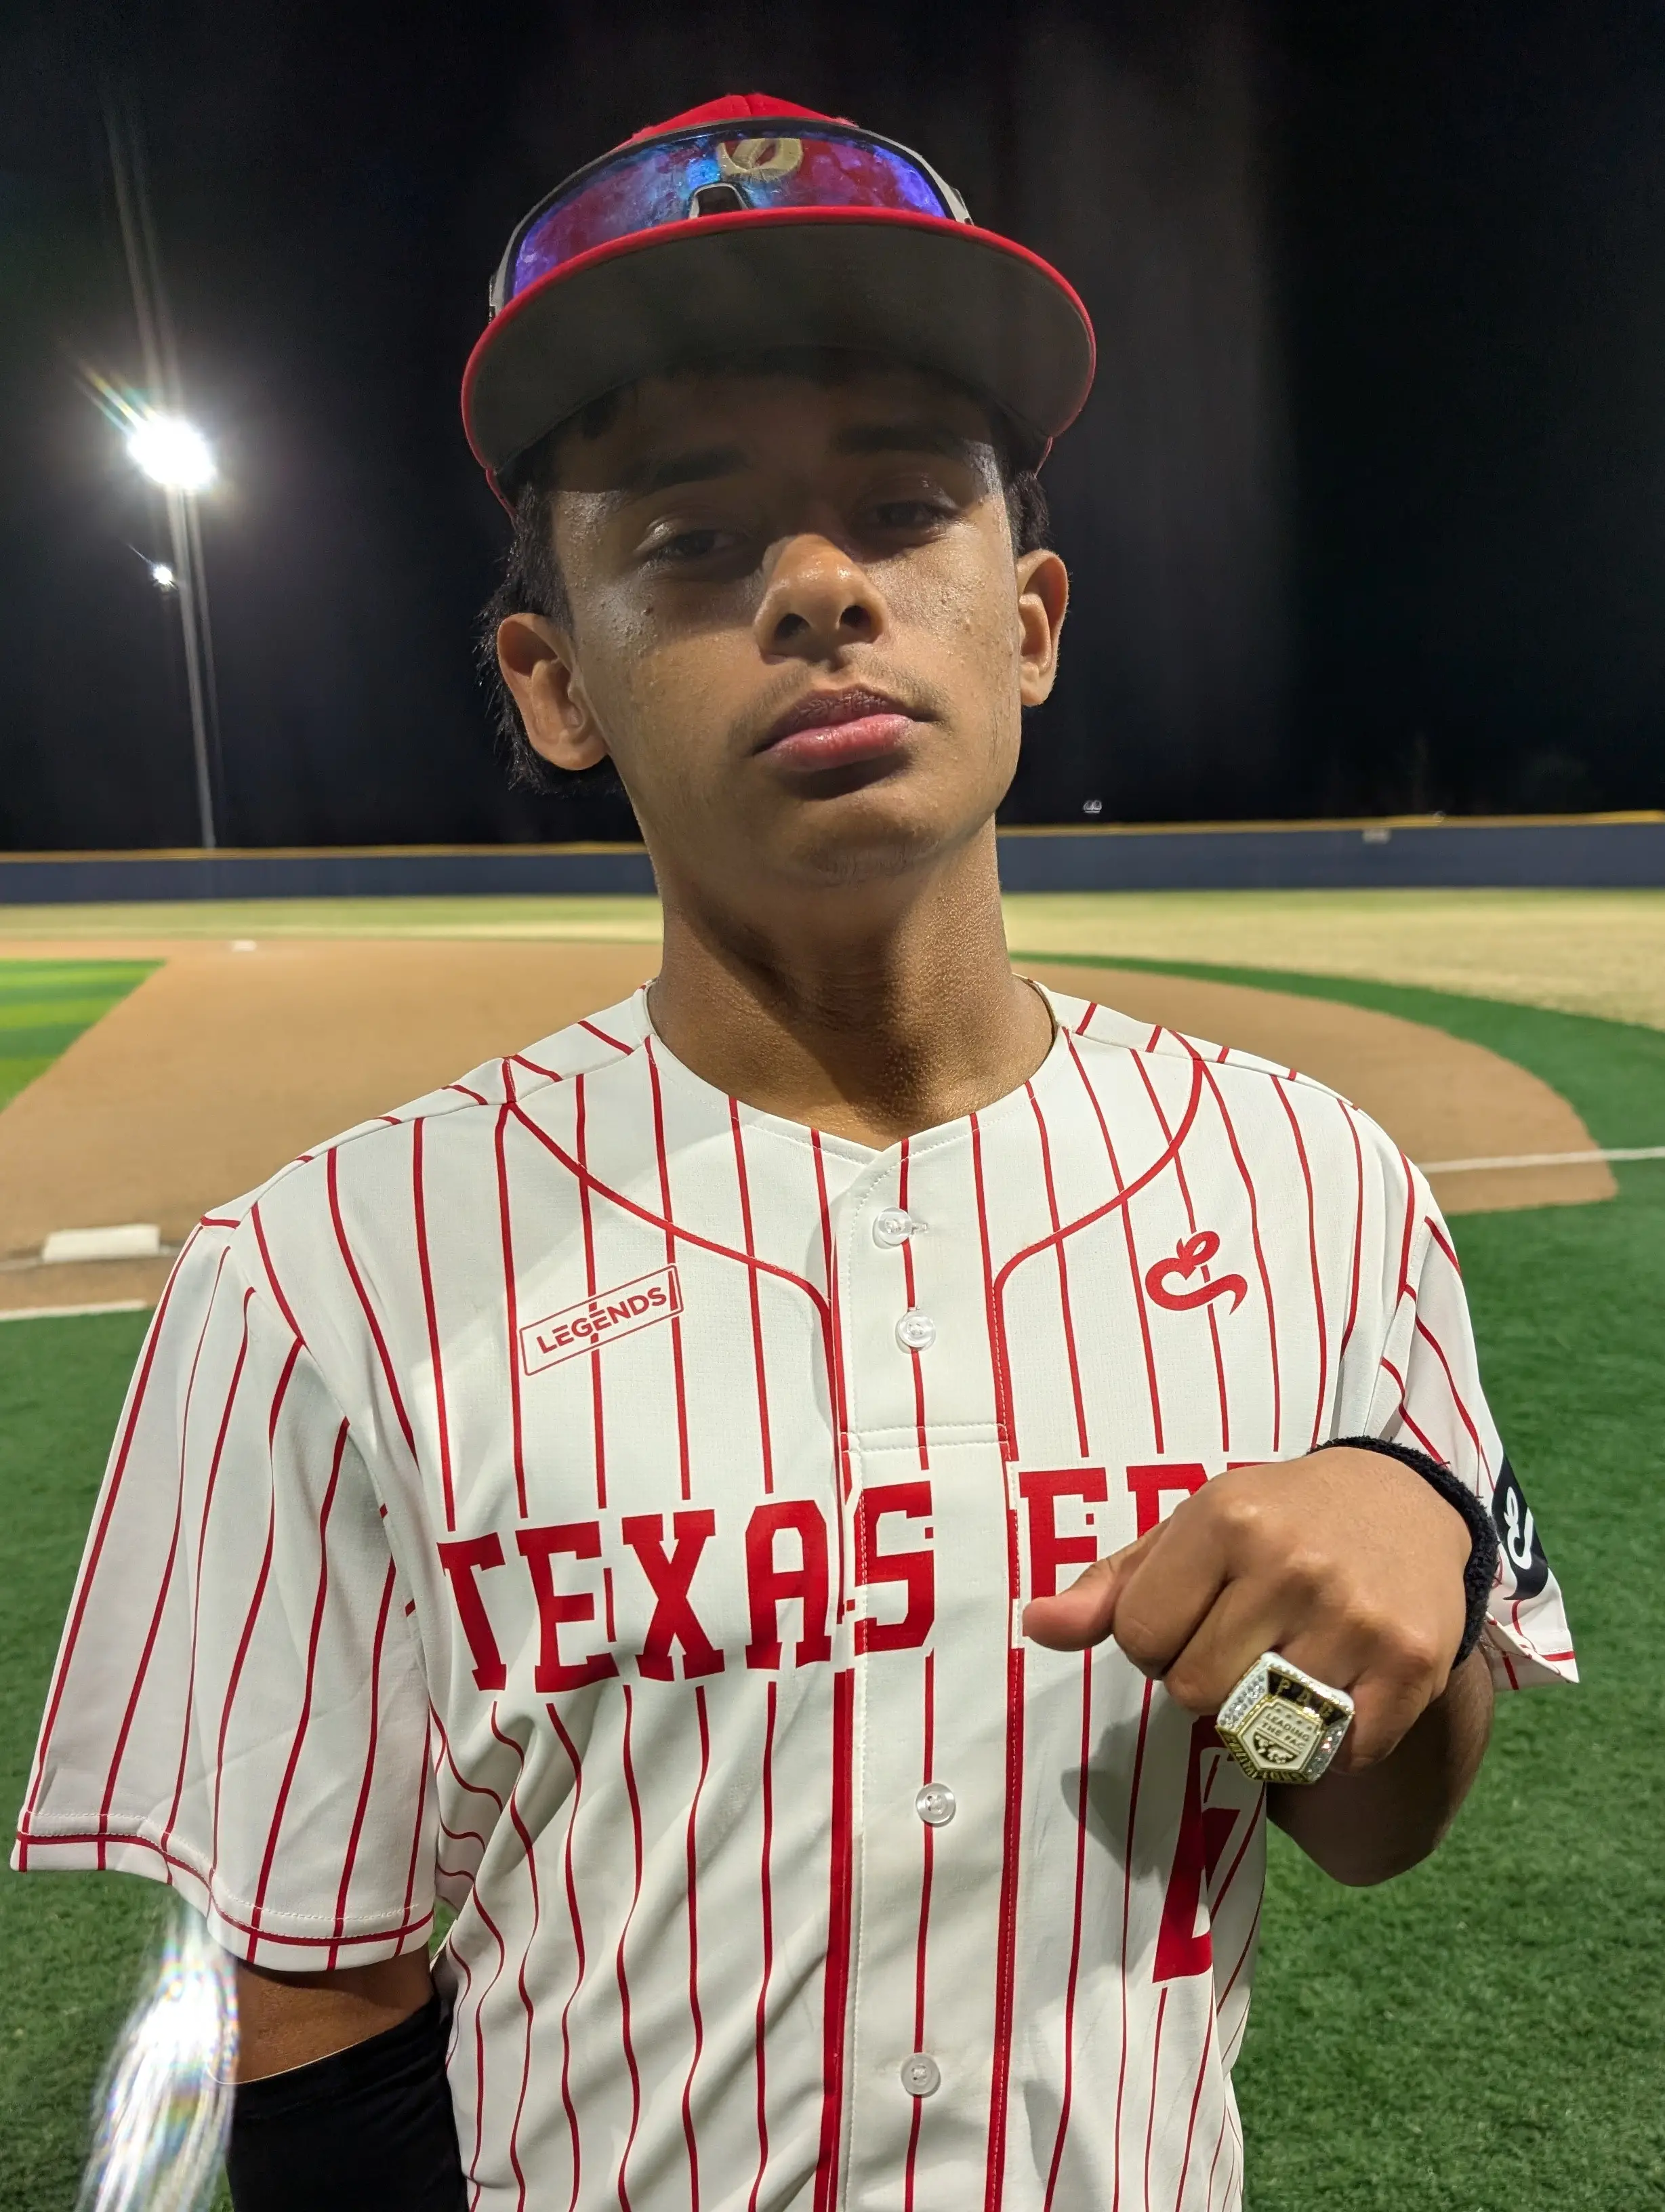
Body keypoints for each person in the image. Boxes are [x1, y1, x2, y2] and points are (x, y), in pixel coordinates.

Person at [14, 94, 1574, 2211]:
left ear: (1028, 620)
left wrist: (1412, 1556)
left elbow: (1360, 1817)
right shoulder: (322, 1276)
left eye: (905, 508)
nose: (825, 587)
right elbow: (319, 2013)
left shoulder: (1318, 1187)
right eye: (693, 539)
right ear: (554, 684)